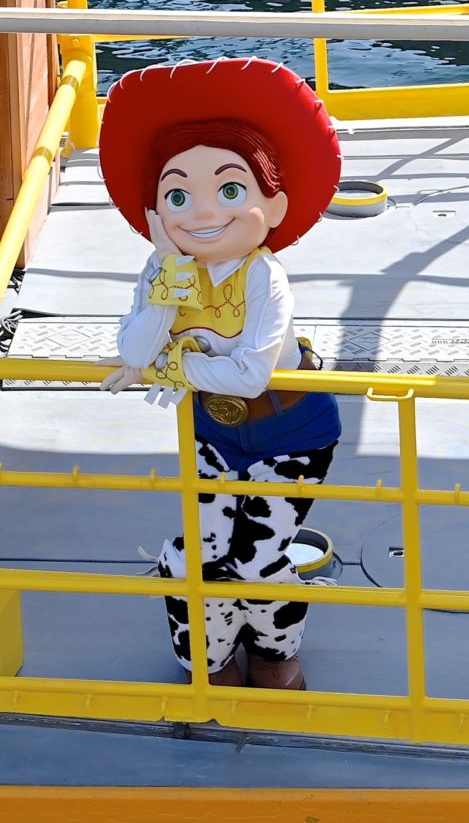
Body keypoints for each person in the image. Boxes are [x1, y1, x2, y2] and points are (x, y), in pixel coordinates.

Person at [99, 58, 342, 690]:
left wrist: (172, 365)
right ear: (155, 212)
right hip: (211, 428)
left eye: (230, 191)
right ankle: (207, 661)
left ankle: (276, 653)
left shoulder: (265, 277)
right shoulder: (164, 270)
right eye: (178, 197)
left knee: (257, 559)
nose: (201, 213)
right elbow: (134, 349)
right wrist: (167, 283)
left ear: (273, 204)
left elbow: (251, 375)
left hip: (293, 433)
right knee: (193, 558)